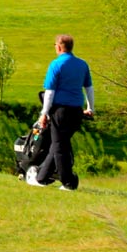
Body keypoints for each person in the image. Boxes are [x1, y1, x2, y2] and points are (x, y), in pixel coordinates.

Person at [27, 34, 94, 191]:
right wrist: (90, 108)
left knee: (59, 146)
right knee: (59, 144)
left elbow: (49, 92)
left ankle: (68, 182)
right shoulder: (82, 64)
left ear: (58, 47)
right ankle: (41, 178)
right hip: (77, 111)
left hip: (61, 112)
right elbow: (89, 88)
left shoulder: (56, 64)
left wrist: (44, 113)